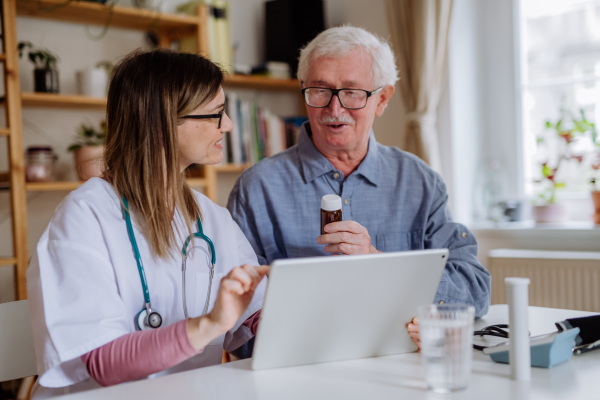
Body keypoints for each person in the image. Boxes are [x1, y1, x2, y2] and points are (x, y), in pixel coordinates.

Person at [227, 26, 491, 348]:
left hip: (402, 368)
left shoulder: (420, 182)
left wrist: (382, 264)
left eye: (352, 93)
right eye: (320, 90)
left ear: (382, 99)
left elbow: (475, 289)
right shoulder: (257, 189)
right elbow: (235, 324)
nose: (334, 110)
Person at [27, 49, 267, 398]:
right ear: (164, 122)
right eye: (216, 114)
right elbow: (103, 362)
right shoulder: (83, 217)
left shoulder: (211, 218)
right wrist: (210, 324)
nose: (227, 125)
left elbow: (253, 313)